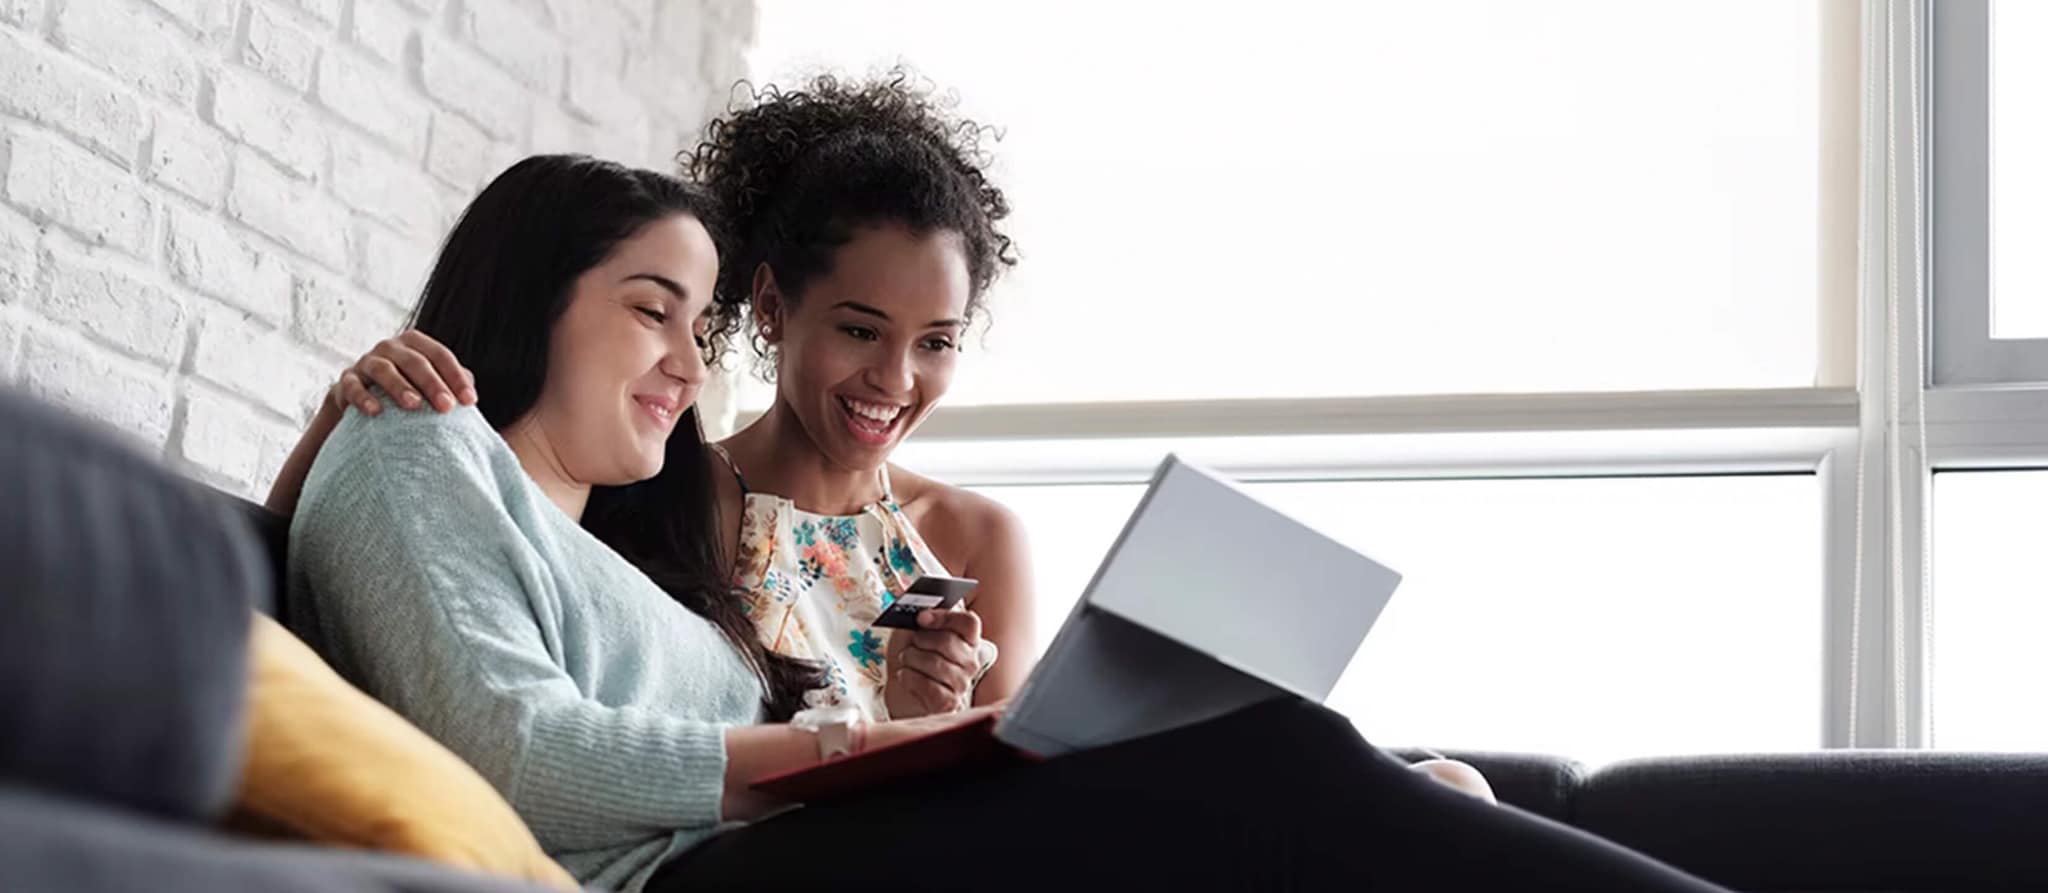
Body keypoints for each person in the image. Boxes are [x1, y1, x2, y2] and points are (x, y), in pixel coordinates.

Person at [286, 153, 1729, 892]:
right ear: (526, 286)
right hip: (707, 876)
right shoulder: (419, 443)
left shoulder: (610, 528)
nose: (688, 356)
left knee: (1275, 762)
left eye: (696, 319)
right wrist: (860, 749)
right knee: (1262, 755)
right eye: (654, 309)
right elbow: (521, 749)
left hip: (783, 847)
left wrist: (924, 731)